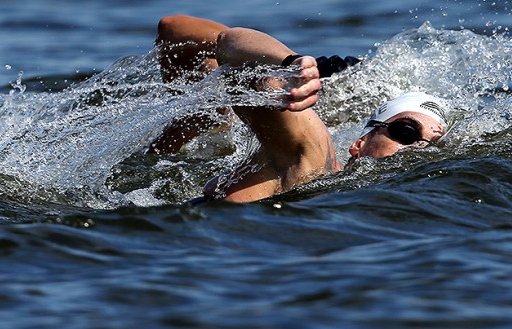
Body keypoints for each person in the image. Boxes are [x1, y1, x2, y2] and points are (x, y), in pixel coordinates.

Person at [151, 14, 452, 203]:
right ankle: (205, 116)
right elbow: (177, 29)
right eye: (407, 132)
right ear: (359, 144)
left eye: (434, 145)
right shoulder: (312, 159)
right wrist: (289, 64)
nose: (420, 148)